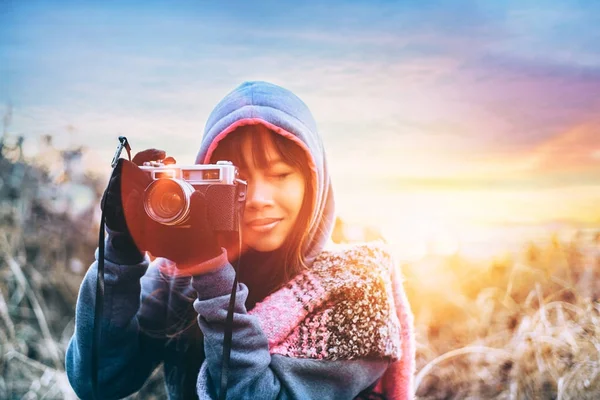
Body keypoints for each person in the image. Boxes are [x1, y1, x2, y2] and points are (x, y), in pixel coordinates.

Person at [65, 81, 416, 399]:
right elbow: (98, 381)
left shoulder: (356, 290)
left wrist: (212, 277)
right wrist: (119, 257)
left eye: (280, 174)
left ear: (314, 182)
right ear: (205, 181)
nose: (259, 197)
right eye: (237, 177)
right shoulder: (178, 277)